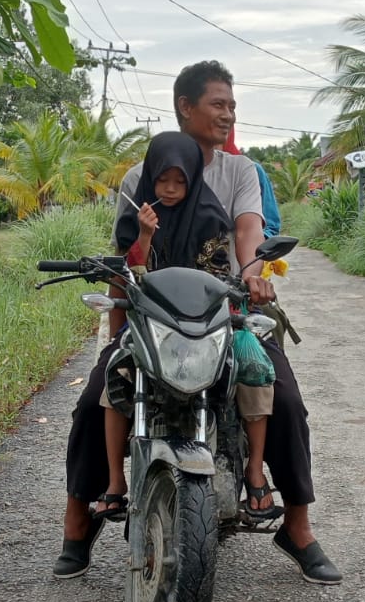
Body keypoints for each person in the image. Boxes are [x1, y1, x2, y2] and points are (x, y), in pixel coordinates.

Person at [56, 61, 341, 585]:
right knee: (95, 394)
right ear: (184, 108)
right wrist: (119, 322)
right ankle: (80, 520)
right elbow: (128, 254)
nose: (228, 115)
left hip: (223, 312)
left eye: (232, 105)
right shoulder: (138, 176)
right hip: (152, 315)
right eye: (218, 104)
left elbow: (248, 235)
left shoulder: (241, 172)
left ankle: (296, 525)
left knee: (287, 399)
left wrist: (254, 275)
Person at [97, 132, 278, 529]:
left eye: (181, 181)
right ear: (151, 179)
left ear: (194, 179)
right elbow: (129, 274)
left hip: (208, 324)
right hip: (152, 326)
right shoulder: (136, 218)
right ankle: (113, 482)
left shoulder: (211, 218)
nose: (172, 189)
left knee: (257, 375)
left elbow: (218, 273)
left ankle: (256, 472)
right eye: (163, 180)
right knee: (113, 378)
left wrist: (250, 283)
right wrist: (145, 234)